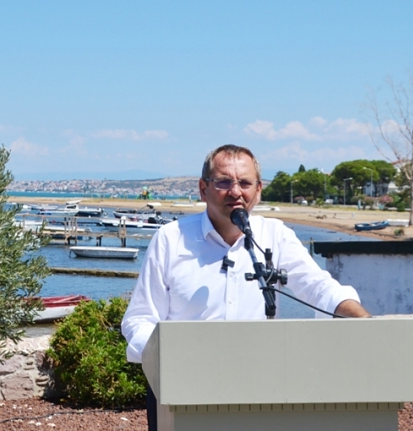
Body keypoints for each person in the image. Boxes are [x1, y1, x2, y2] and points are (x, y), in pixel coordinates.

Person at [121, 144, 370, 430]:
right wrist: (164, 358)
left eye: (245, 183)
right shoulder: (170, 240)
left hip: (258, 387)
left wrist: (364, 321)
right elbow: (139, 320)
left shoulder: (274, 236)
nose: (236, 191)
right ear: (203, 189)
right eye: (224, 182)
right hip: (181, 393)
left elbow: (318, 288)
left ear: (259, 190)